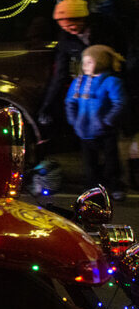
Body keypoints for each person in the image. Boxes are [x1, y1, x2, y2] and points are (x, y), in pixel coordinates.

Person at [38, 0, 128, 130]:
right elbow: (60, 75)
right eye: (64, 27)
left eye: (72, 25)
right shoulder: (66, 38)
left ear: (82, 18)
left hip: (110, 82)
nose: (69, 29)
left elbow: (123, 50)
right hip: (91, 90)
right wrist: (46, 106)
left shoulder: (106, 26)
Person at [66, 44, 128, 201]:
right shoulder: (79, 82)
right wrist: (74, 120)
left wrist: (107, 121)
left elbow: (119, 102)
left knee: (111, 161)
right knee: (89, 163)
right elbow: (70, 102)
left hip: (105, 131)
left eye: (89, 62)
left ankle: (115, 186)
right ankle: (93, 189)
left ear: (101, 63)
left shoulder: (111, 81)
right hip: (84, 131)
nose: (85, 66)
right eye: (84, 62)